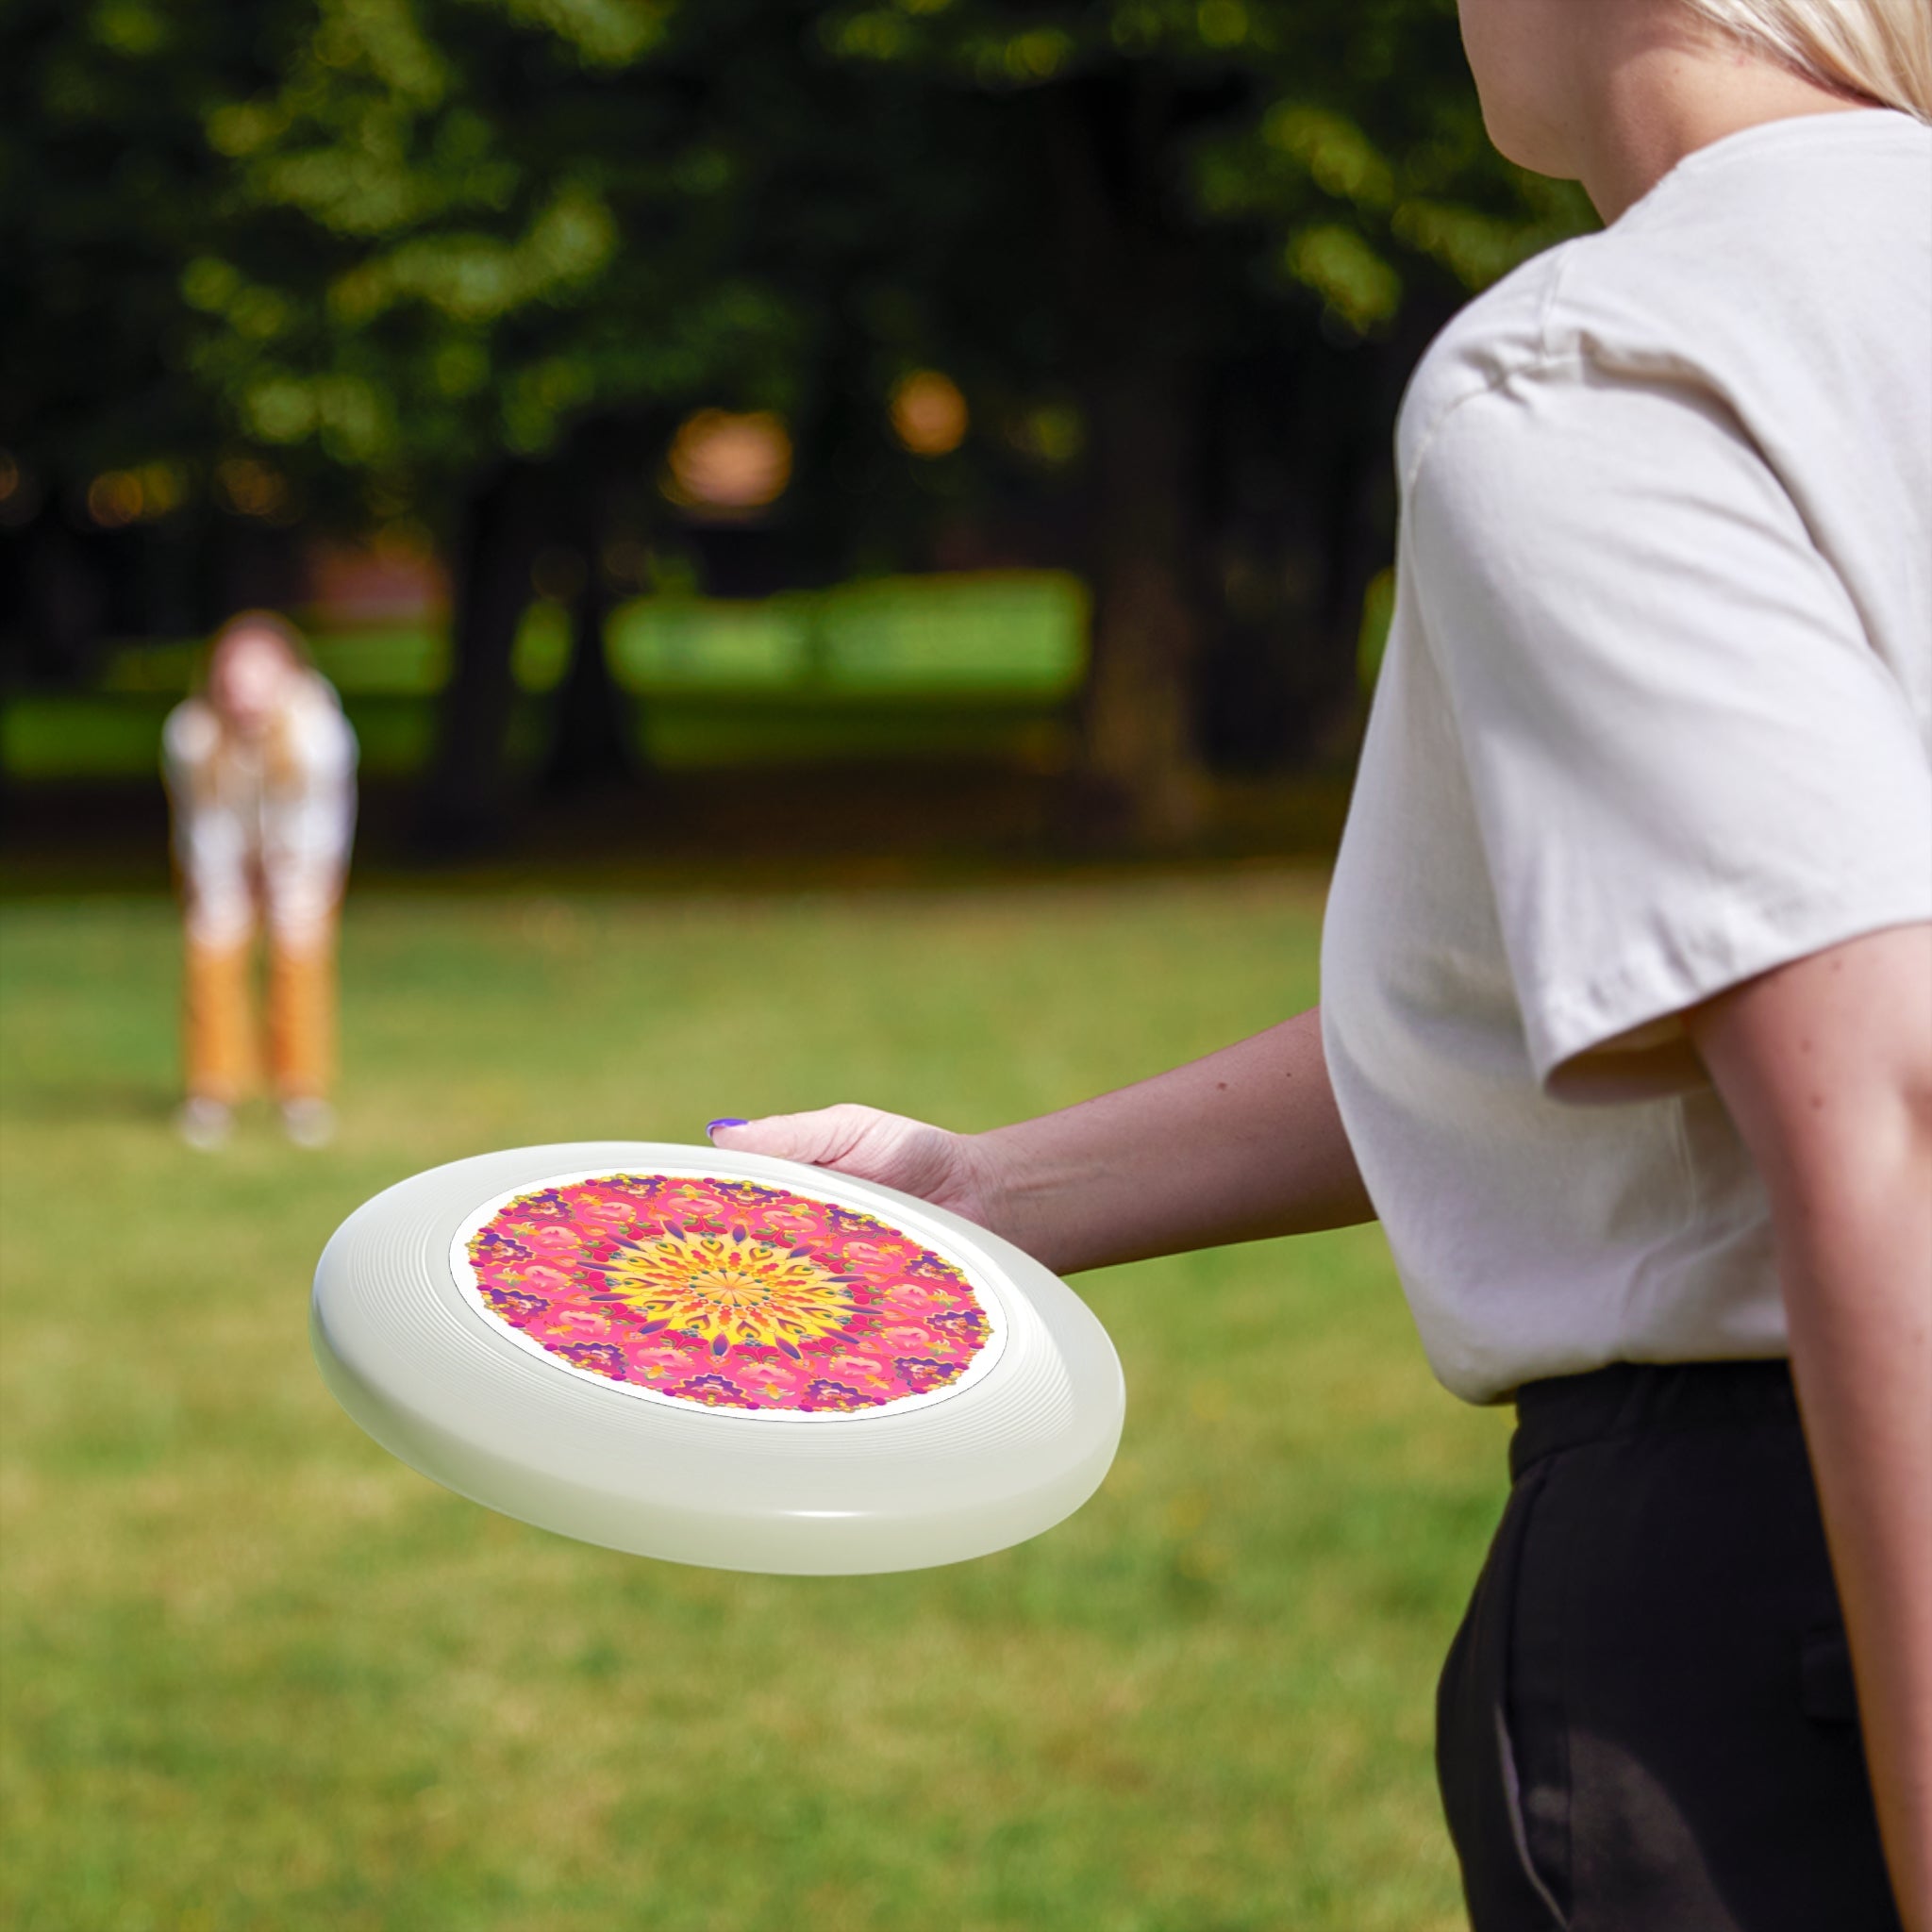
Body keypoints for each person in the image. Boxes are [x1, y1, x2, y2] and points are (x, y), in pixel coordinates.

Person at [706, 2, 1932, 1925]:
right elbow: (1633, 989)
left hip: (1795, 1591)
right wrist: (985, 1188)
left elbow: (1884, 1099)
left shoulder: (1608, 362)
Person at [162, 611, 358, 1150]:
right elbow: (204, 823)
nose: (244, 690)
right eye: (234, 674)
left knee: (299, 959)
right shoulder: (191, 735)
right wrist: (224, 888)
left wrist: (288, 882)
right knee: (212, 952)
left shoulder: (319, 733)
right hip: (221, 857)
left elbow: (317, 824)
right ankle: (212, 1091)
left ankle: (301, 1092)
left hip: (302, 858)